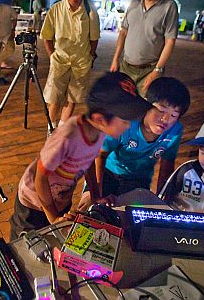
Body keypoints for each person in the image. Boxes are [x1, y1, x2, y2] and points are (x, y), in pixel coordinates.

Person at [9, 72, 152, 240]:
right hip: (34, 202)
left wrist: (95, 195)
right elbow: (40, 178)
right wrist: (54, 219)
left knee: (56, 240)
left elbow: (89, 162)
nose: (128, 126)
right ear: (100, 119)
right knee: (28, 244)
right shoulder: (68, 137)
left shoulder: (98, 134)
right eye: (124, 121)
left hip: (60, 199)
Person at [78, 77, 190, 210]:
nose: (165, 119)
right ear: (147, 104)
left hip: (137, 180)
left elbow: (167, 165)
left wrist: (161, 200)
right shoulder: (126, 121)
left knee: (133, 219)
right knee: (89, 208)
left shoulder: (175, 131)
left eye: (173, 115)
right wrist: (96, 194)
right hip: (107, 173)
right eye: (161, 110)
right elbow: (100, 155)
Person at [41, 0, 100, 130]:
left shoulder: (90, 10)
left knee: (72, 98)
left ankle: (61, 129)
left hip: (80, 63)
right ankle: (51, 129)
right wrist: (51, 55)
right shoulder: (56, 9)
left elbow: (94, 38)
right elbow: (46, 36)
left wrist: (90, 57)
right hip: (60, 60)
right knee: (54, 98)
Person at [110, 0, 178, 97]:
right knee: (124, 103)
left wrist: (157, 70)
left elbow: (170, 41)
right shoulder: (134, 3)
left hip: (149, 70)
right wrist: (115, 59)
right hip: (126, 67)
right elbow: (123, 32)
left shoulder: (169, 7)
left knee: (144, 107)